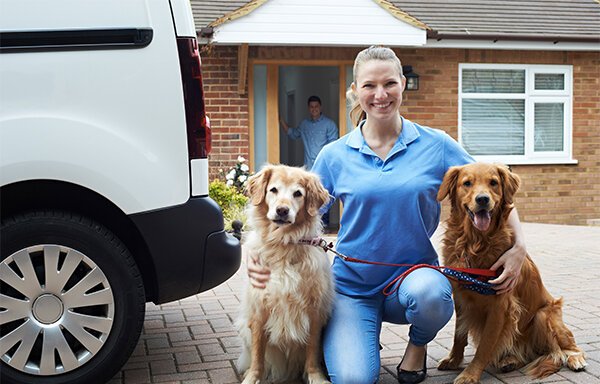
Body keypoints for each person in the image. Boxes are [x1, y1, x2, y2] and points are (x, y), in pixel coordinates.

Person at [248, 46, 527, 384]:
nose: (380, 95)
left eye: (389, 84)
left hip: (413, 279)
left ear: (403, 85)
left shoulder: (435, 144)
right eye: (369, 86)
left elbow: (493, 191)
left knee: (433, 296)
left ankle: (417, 346)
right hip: (352, 286)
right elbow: (292, 216)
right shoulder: (334, 154)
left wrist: (518, 249)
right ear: (355, 91)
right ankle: (362, 335)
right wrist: (257, 255)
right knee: (352, 379)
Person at [279, 95, 338, 171]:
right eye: (311, 107)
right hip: (308, 168)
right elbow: (293, 134)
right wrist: (280, 119)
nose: (314, 109)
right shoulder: (304, 124)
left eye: (316, 106)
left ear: (320, 107)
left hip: (324, 166)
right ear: (308, 108)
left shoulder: (329, 124)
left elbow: (333, 146)